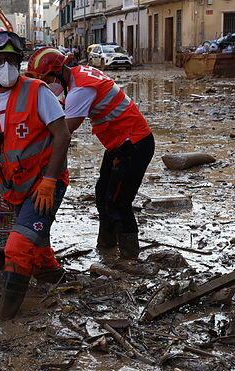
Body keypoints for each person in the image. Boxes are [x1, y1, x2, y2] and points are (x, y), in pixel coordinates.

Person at [26, 47, 154, 260]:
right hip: (120, 144)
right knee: (103, 194)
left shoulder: (81, 90)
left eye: (44, 80)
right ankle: (106, 248)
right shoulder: (79, 74)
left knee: (118, 202)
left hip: (134, 145)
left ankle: (130, 258)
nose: (44, 86)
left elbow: (64, 132)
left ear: (56, 72)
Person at [0, 30, 71, 320]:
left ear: (19, 62)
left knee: (17, 244)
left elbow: (63, 135)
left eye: (9, 59)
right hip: (16, 186)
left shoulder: (37, 91)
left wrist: (49, 180)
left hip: (45, 183)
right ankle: (52, 277)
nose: (4, 67)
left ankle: (6, 319)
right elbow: (1, 148)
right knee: (36, 238)